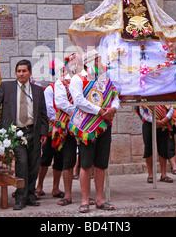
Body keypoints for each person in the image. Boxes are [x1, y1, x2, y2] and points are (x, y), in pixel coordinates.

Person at [0, 59, 48, 210]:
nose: (21, 74)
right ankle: (20, 198)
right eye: (19, 71)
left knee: (34, 164)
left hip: (33, 132)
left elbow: (43, 113)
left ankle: (30, 195)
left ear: (30, 73)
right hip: (15, 132)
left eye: (24, 71)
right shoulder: (7, 87)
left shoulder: (37, 91)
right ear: (15, 73)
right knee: (22, 162)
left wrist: (44, 132)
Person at [68, 49, 120, 213]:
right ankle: (85, 199)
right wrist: (99, 111)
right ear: (90, 62)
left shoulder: (105, 80)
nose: (101, 63)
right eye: (98, 60)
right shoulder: (77, 79)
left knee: (101, 164)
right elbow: (79, 101)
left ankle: (100, 199)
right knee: (86, 164)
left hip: (104, 125)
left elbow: (116, 96)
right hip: (87, 127)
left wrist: (113, 109)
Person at [52, 53, 82, 206]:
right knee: (68, 159)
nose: (75, 66)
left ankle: (87, 195)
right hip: (67, 125)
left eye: (78, 63)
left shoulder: (86, 81)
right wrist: (80, 112)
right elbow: (61, 103)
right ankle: (68, 195)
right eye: (72, 63)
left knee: (88, 160)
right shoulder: (61, 83)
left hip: (85, 124)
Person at [35, 60, 64, 200]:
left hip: (63, 130)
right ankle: (39, 186)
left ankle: (55, 188)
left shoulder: (67, 88)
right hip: (51, 130)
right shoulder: (50, 90)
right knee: (46, 158)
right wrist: (62, 122)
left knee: (60, 159)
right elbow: (49, 111)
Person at [135, 105, 176, 183]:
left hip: (163, 124)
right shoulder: (144, 96)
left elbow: (171, 107)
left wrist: (165, 119)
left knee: (163, 148)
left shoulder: (165, 94)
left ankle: (164, 175)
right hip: (148, 124)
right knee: (148, 148)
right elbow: (142, 111)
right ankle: (150, 175)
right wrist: (154, 120)